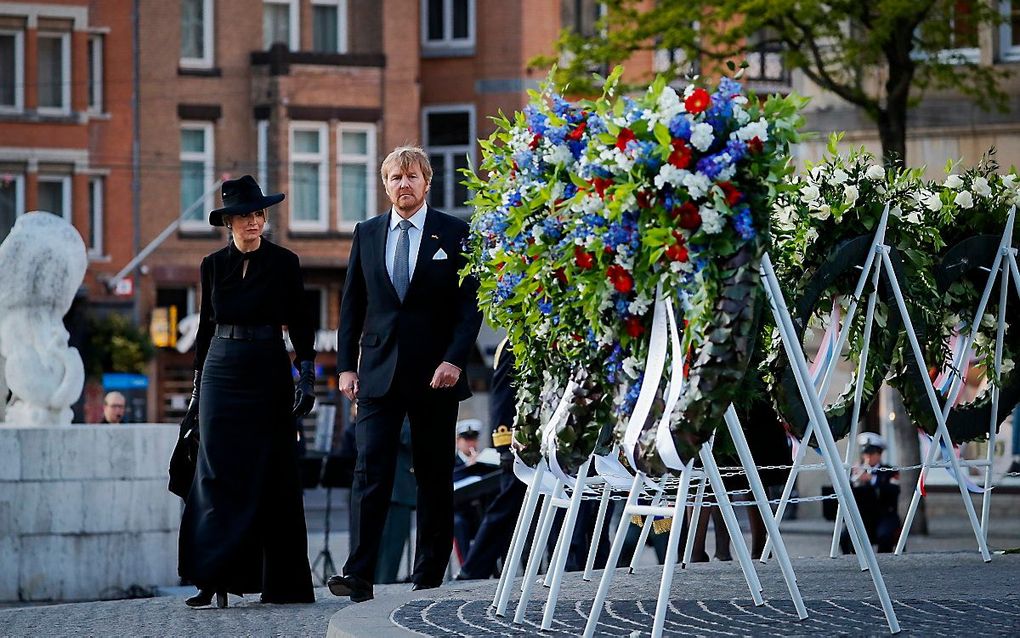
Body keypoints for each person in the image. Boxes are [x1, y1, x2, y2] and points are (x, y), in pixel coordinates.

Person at [328, 146, 483, 603]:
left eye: (412, 176)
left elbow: (470, 306)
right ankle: (359, 574)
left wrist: (455, 359)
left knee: (433, 476)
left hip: (437, 375)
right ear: (385, 184)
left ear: (427, 181)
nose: (404, 184)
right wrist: (345, 367)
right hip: (376, 375)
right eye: (395, 177)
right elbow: (351, 304)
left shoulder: (454, 233)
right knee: (369, 471)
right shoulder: (367, 233)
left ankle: (429, 573)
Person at [178, 175, 317, 608]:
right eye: (245, 215)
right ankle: (211, 578)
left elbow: (300, 323)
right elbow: (204, 330)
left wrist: (307, 375)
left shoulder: (285, 262)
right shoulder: (211, 265)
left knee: (274, 471)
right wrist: (197, 391)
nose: (254, 221)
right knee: (216, 473)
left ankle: (284, 583)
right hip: (221, 369)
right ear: (229, 222)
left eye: (258, 214)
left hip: (268, 369)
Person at [455, 338, 528, 580]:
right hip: (518, 444)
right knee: (506, 507)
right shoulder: (512, 344)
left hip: (534, 444)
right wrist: (504, 444)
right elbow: (503, 396)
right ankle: (472, 569)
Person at [840, 432, 900, 554]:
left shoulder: (889, 470)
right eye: (865, 453)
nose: (868, 457)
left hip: (884, 515)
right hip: (863, 516)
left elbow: (894, 491)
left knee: (884, 536)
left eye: (872, 453)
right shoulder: (856, 470)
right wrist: (852, 479)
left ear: (879, 454)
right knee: (845, 537)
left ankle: (885, 562)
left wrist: (872, 479)